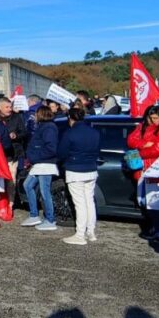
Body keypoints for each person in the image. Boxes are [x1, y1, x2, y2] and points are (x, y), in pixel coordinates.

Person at [128, 105, 159, 243]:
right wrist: (144, 144)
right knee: (148, 202)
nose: (153, 121)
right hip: (146, 168)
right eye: (151, 118)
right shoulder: (142, 126)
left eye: (156, 118)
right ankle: (156, 228)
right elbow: (131, 140)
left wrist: (140, 153)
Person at [57, 105, 101, 245]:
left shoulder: (70, 133)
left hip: (75, 170)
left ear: (70, 118)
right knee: (89, 201)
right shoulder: (94, 132)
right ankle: (91, 232)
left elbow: (61, 153)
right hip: (91, 169)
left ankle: (80, 235)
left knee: (80, 204)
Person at [20, 106, 60, 231]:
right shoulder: (43, 126)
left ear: (41, 114)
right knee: (27, 185)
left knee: (44, 191)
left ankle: (50, 219)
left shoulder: (49, 128)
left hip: (45, 165)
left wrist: (35, 156)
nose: (35, 116)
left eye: (36, 114)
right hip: (39, 164)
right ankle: (34, 215)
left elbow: (51, 148)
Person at [0, 97, 26, 209]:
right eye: (7, 107)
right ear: (0, 107)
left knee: (11, 179)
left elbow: (24, 133)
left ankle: (10, 203)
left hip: (13, 154)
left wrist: (15, 135)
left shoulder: (16, 117)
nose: (9, 109)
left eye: (10, 107)